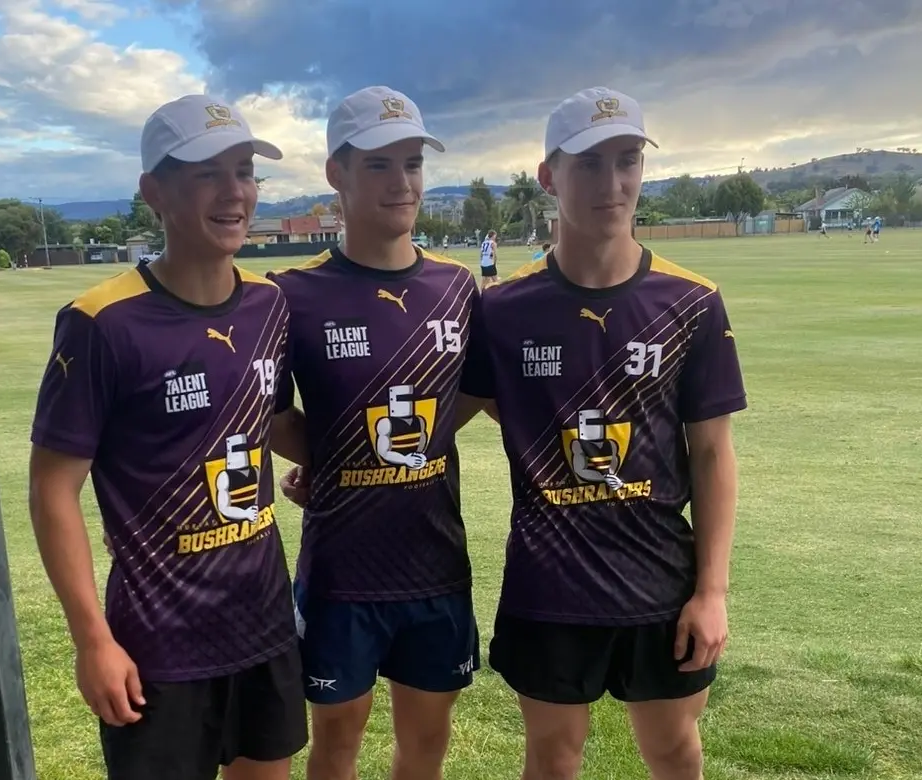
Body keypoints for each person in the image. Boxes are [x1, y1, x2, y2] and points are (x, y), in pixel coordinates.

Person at [460, 86, 747, 780]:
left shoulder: (692, 302)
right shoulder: (501, 310)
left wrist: (712, 592)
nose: (613, 183)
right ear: (549, 176)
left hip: (661, 583)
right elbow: (457, 415)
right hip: (548, 586)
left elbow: (711, 455)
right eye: (589, 165)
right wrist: (325, 464)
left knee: (674, 751)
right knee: (553, 758)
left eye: (627, 161)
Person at [28, 94, 310, 780]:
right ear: (153, 191)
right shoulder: (101, 322)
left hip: (264, 624)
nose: (235, 192)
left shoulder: (269, 303)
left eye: (244, 171)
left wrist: (339, 463)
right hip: (159, 643)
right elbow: (52, 489)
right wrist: (91, 639)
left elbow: (269, 422)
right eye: (207, 174)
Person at [270, 85, 483, 780]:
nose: (402, 182)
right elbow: (269, 411)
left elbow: (473, 392)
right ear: (337, 173)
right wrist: (335, 459)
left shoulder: (458, 286)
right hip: (342, 570)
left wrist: (399, 450)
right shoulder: (291, 293)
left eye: (413, 163)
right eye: (379, 165)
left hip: (435, 562)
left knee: (426, 744)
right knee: (337, 740)